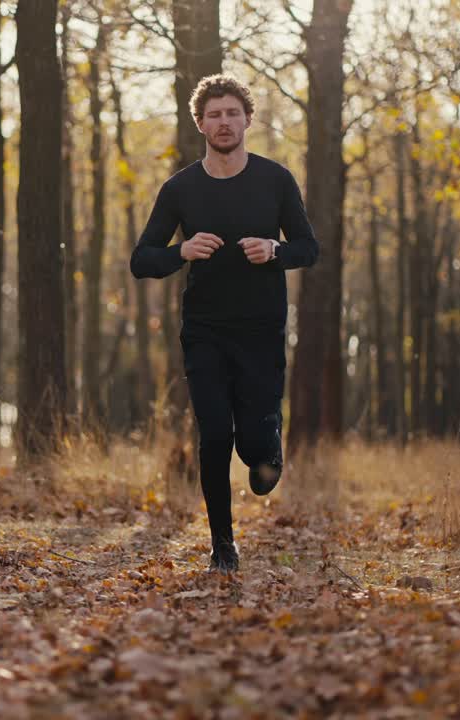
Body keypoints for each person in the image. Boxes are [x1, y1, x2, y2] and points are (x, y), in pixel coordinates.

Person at [129, 74, 319, 573]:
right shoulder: (180, 189)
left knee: (255, 454)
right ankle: (223, 545)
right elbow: (141, 259)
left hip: (261, 330)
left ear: (248, 120)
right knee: (213, 432)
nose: (224, 121)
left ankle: (268, 445)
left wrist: (276, 250)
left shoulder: (275, 180)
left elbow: (309, 247)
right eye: (214, 114)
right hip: (205, 330)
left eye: (232, 112)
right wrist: (181, 251)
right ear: (200, 124)